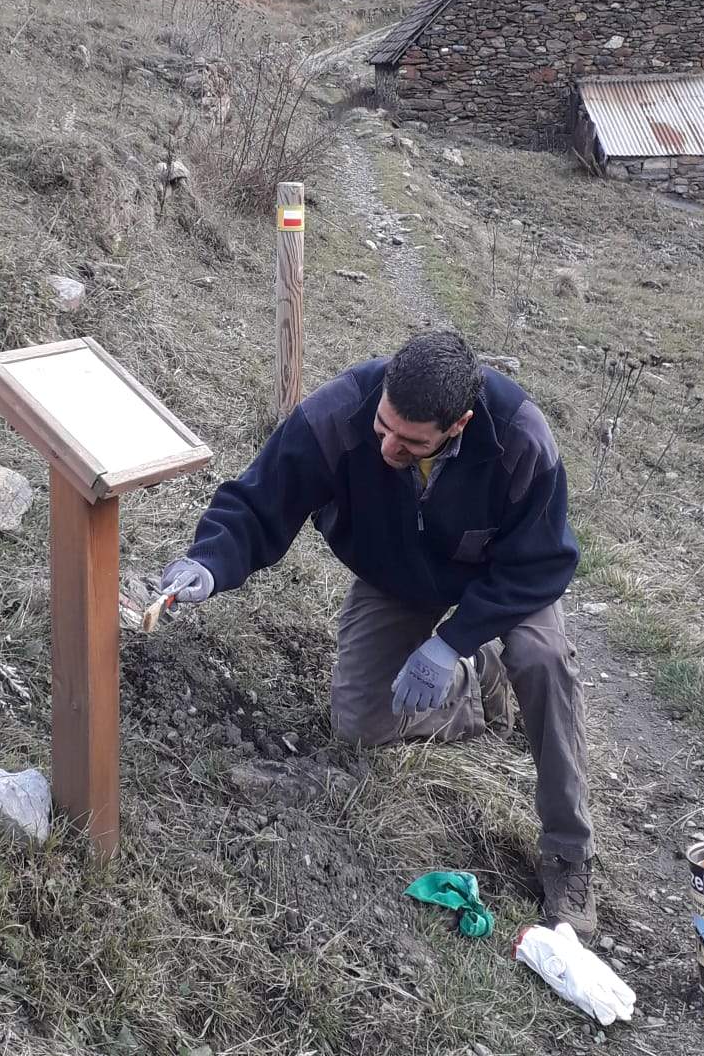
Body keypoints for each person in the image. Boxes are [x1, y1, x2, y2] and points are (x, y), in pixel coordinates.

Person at [159, 330, 596, 933]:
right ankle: (480, 686)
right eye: (383, 427)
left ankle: (569, 855)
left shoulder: (520, 437)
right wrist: (209, 561)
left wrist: (452, 638)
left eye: (411, 440)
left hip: (499, 584)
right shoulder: (340, 412)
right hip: (399, 576)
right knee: (361, 722)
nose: (388, 444)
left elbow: (544, 563)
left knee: (543, 660)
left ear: (459, 423)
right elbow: (262, 498)